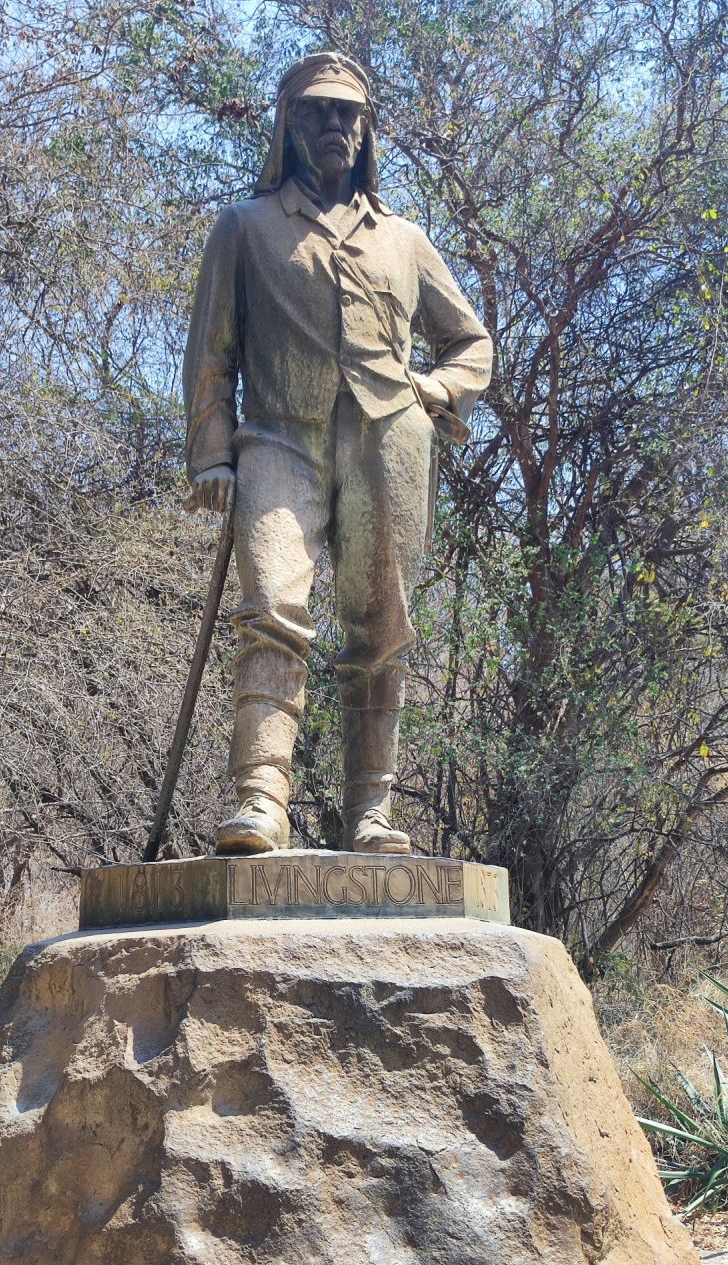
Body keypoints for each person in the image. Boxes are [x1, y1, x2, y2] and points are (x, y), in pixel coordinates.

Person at [183, 51, 492, 855]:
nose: (335, 126)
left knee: (381, 627)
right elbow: (212, 352)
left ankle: (372, 812)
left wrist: (433, 391)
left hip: (387, 444)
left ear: (366, 130)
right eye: (318, 111)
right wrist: (212, 455)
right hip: (279, 438)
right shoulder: (245, 228)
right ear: (289, 124)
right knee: (275, 607)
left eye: (349, 113)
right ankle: (260, 798)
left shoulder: (405, 239)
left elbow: (471, 344)